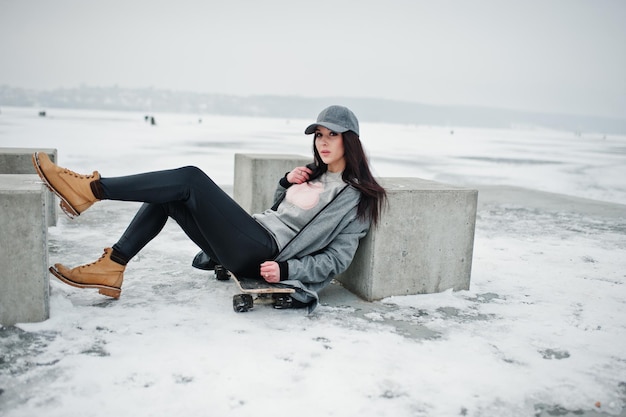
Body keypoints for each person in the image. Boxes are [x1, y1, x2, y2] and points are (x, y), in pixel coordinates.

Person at [32, 105, 387, 311]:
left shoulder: (357, 197)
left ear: (349, 140)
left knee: (189, 178)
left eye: (332, 135)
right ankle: (112, 266)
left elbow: (338, 258)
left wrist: (289, 268)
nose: (323, 143)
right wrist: (286, 185)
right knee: (169, 196)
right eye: (319, 135)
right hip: (254, 235)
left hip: (264, 253)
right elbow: (281, 214)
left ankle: (91, 189)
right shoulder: (310, 174)